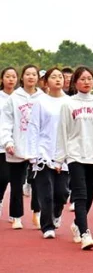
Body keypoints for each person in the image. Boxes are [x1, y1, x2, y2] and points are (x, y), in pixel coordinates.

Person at [55, 66, 93, 250]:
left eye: (89, 78)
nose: (86, 82)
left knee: (90, 194)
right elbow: (63, 132)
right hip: (75, 155)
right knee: (80, 194)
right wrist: (59, 159)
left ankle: (77, 224)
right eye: (82, 79)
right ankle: (85, 233)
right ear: (75, 82)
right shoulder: (68, 104)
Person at [26, 68, 70, 239]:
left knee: (62, 193)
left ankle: (56, 214)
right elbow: (33, 128)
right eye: (54, 77)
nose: (58, 80)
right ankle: (47, 226)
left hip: (64, 153)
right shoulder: (40, 102)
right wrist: (33, 153)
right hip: (44, 152)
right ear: (46, 82)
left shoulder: (69, 102)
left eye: (60, 77)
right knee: (47, 193)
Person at [0, 65, 44, 230]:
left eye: (34, 74)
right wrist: (8, 142)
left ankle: (38, 213)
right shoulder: (14, 98)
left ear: (38, 78)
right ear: (22, 77)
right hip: (17, 146)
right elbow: (6, 122)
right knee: (16, 183)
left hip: (37, 147)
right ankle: (16, 215)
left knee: (38, 181)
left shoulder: (42, 97)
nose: (31, 77)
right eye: (27, 74)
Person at [0, 67, 18, 218]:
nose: (11, 79)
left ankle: (15, 213)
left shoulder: (19, 97)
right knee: (3, 177)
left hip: (16, 144)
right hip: (1, 144)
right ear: (2, 79)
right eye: (7, 76)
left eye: (13, 77)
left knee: (14, 179)